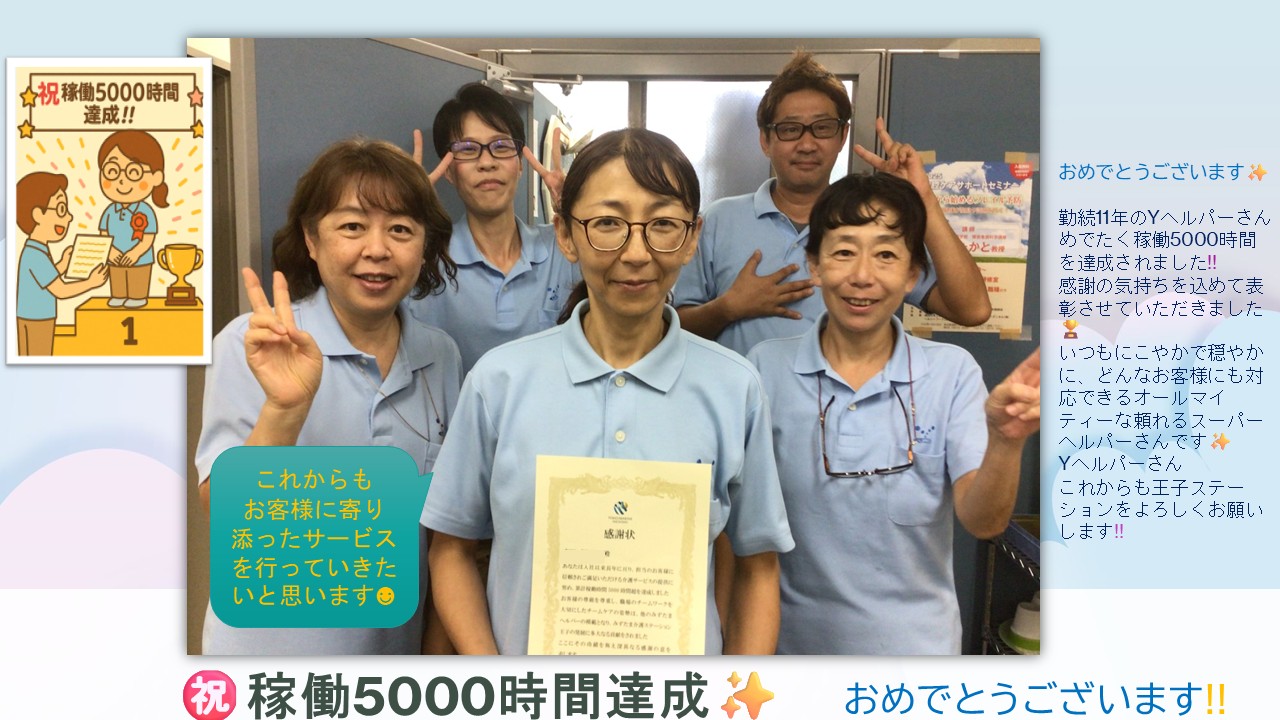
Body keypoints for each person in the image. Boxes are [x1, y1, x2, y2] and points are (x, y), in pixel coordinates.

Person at [421, 128, 794, 655]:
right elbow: (451, 549)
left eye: (663, 224)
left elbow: (758, 568)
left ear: (692, 237)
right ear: (565, 235)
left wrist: (732, 693)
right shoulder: (498, 381)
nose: (636, 253)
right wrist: (496, 682)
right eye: (607, 224)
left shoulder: (735, 387)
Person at [746, 173, 1040, 654]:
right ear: (814, 264)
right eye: (843, 252)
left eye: (885, 255)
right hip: (789, 649)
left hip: (917, 655)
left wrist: (1007, 443)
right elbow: (740, 524)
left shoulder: (951, 373)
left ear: (912, 275)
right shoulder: (764, 368)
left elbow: (983, 522)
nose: (863, 276)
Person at [194, 138, 462, 654]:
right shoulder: (253, 344)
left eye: (400, 229)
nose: (377, 249)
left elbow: (443, 531)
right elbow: (228, 513)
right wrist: (285, 409)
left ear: (424, 245)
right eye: (352, 226)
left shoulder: (440, 355)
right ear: (311, 240)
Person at [674, 51, 991, 358]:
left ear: (842, 136)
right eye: (790, 129)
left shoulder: (874, 223)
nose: (807, 144)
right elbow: (672, 329)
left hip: (851, 395)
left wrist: (923, 199)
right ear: (765, 140)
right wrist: (728, 308)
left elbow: (972, 310)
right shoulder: (718, 220)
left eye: (822, 127)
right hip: (743, 396)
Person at [407, 82, 580, 373]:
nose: (487, 162)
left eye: (501, 146)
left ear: (520, 164)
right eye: (467, 149)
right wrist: (401, 212)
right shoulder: (424, 259)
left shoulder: (563, 246)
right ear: (449, 171)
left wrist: (578, 210)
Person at [14, 172, 107, 355]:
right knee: (39, 360)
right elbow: (60, 290)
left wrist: (63, 265)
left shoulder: (35, 249)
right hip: (38, 319)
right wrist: (90, 283)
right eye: (61, 209)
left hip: (31, 317)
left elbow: (44, 280)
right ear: (38, 215)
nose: (69, 217)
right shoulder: (36, 255)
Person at [98, 130, 169, 308]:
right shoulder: (109, 211)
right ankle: (119, 295)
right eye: (112, 171)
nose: (122, 180)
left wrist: (135, 253)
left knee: (138, 280)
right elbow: (103, 234)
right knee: (118, 281)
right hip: (114, 258)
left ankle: (138, 297)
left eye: (133, 172)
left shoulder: (146, 211)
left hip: (141, 259)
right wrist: (111, 251)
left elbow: (148, 238)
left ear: (156, 178)